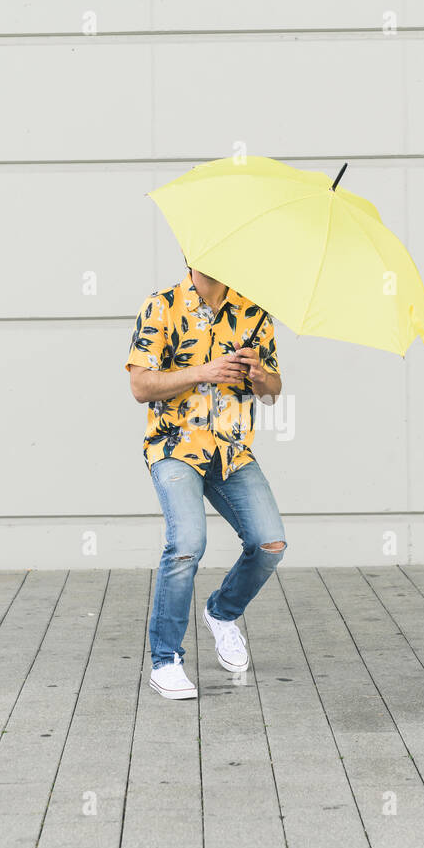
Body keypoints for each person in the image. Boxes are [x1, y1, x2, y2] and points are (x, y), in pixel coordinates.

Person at [124, 264, 286, 699]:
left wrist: (258, 375)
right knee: (187, 545)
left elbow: (273, 391)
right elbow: (141, 385)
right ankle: (166, 660)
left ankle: (222, 611)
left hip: (232, 452)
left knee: (270, 543)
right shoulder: (162, 306)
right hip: (175, 445)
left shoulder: (253, 313)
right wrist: (203, 371)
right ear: (191, 253)